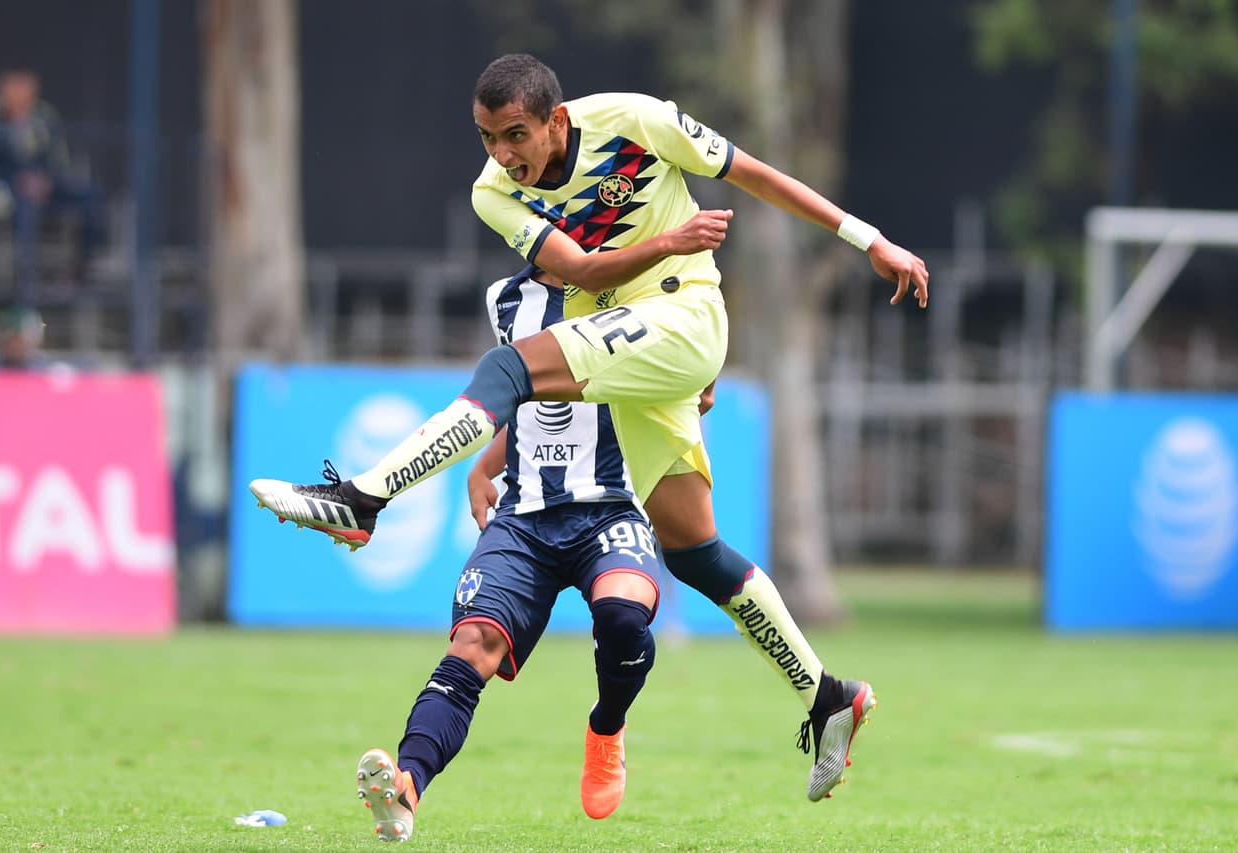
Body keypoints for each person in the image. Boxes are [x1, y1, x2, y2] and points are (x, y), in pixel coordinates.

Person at [251, 53, 929, 804]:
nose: (502, 155)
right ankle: (827, 695)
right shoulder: (492, 192)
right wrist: (490, 459)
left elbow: (754, 175)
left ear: (557, 120)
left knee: (507, 367)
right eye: (487, 138)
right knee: (694, 551)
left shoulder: (635, 120)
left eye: (515, 135)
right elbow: (579, 270)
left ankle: (362, 498)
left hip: (685, 316)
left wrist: (869, 240)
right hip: (633, 341)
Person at [357, 266, 667, 840]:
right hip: (524, 517)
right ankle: (407, 786)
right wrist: (484, 466)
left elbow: (694, 376)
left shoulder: (640, 286)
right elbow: (524, 395)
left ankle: (606, 727)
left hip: (612, 507)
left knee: (623, 615)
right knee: (473, 642)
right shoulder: (505, 298)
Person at [0, 68, 106, 298]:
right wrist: (12, 181)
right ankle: (23, 284)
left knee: (92, 197)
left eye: (27, 95)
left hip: (43, 187)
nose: (21, 102)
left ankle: (80, 270)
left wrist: (46, 180)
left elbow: (58, 159)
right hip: (2, 191)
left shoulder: (44, 116)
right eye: (15, 95)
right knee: (23, 205)